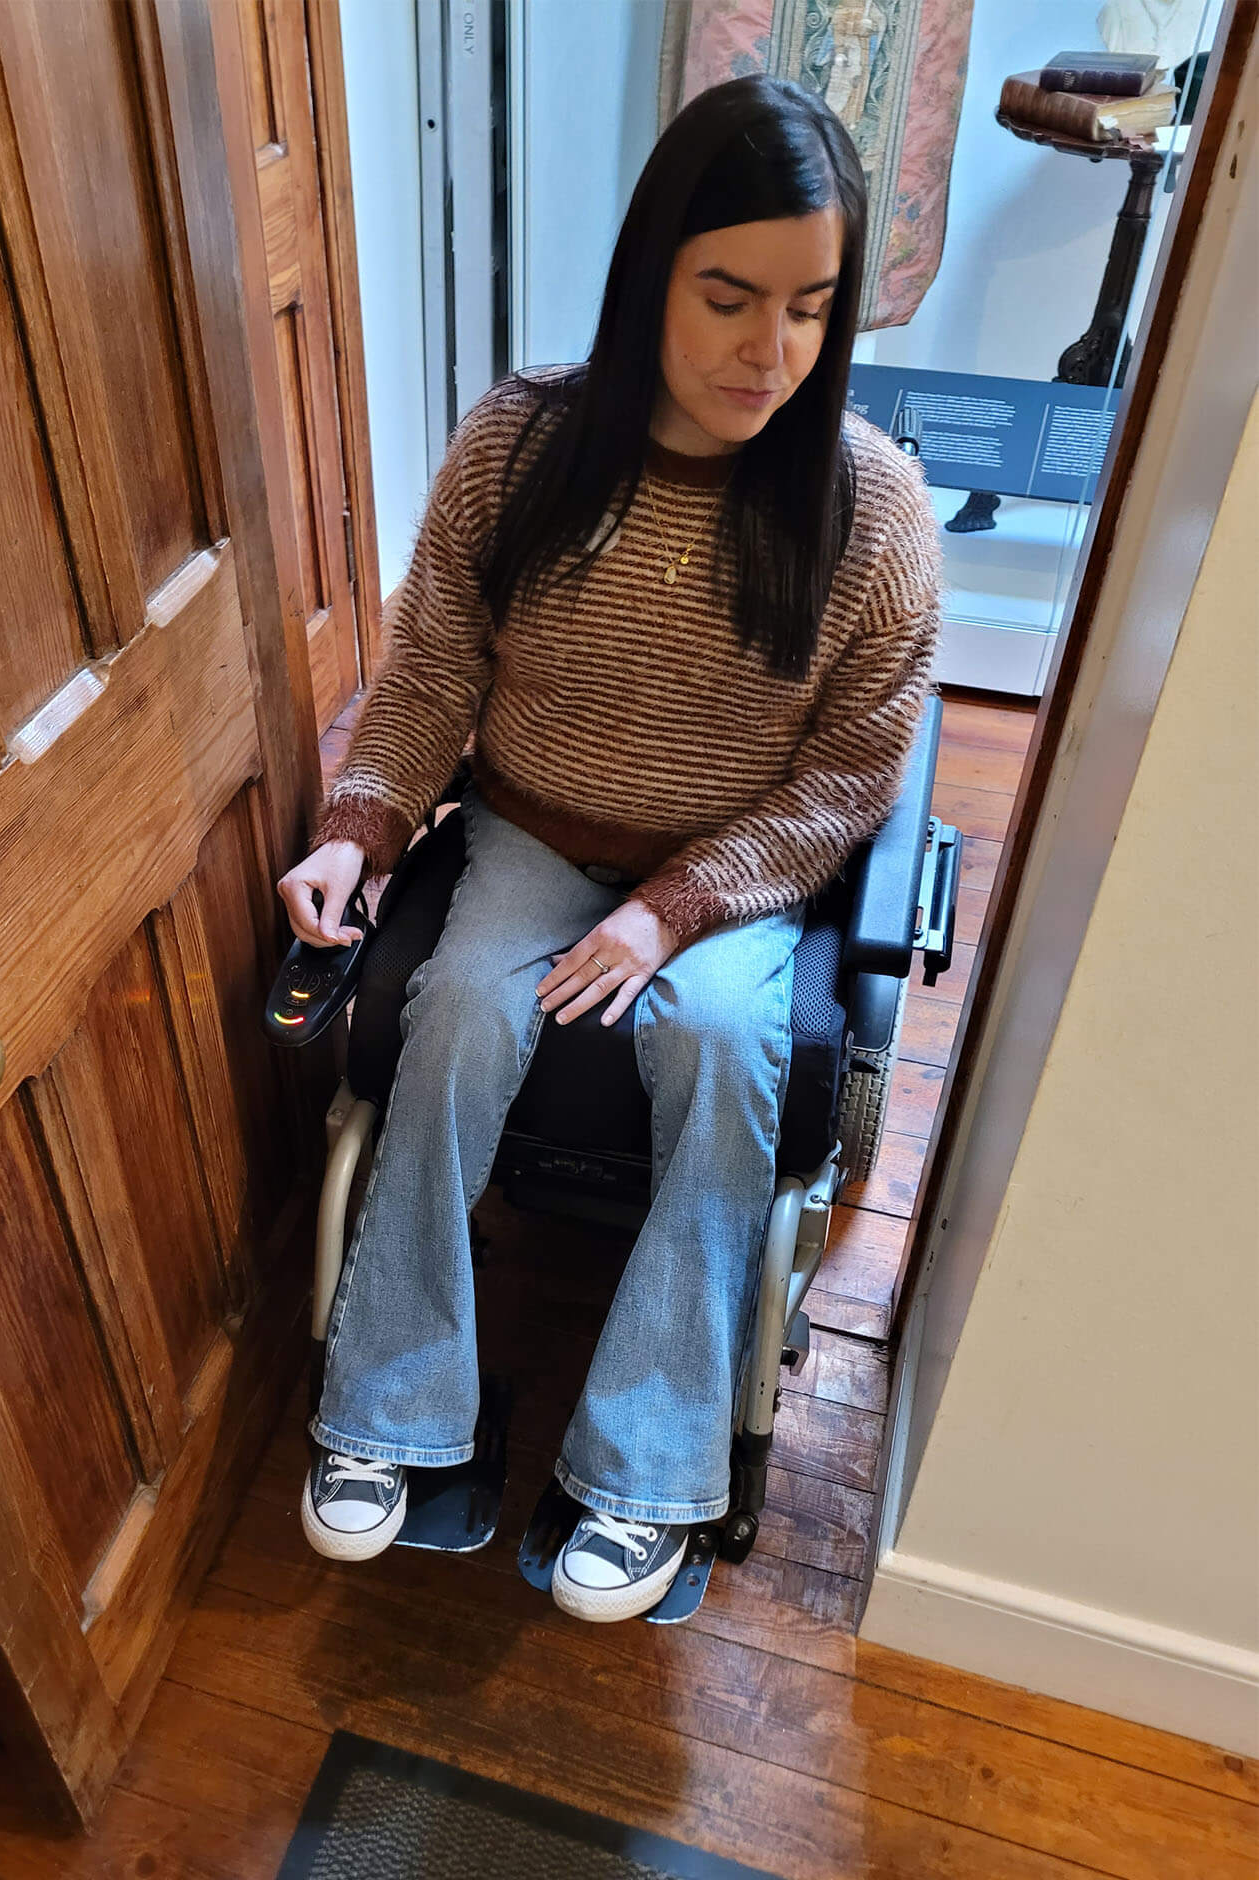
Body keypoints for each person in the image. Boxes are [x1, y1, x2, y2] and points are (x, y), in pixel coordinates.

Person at [278, 75, 941, 1623]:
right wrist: (360, 828)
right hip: (528, 820)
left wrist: (671, 911)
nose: (767, 353)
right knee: (454, 1019)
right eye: (726, 298)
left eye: (809, 309)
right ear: (653, 274)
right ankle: (388, 1413)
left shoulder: (875, 509)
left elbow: (850, 780)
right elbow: (433, 667)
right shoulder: (520, 445)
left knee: (718, 1046)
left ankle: (649, 1475)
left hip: (733, 865)